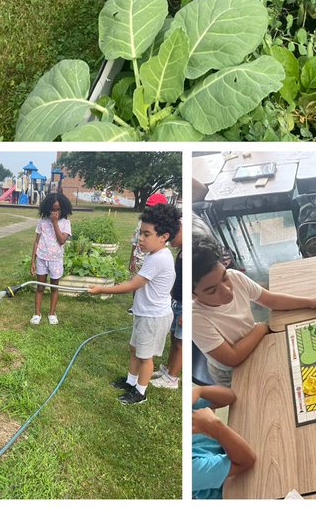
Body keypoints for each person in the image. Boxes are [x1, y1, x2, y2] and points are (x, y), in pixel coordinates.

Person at [193, 233, 316, 387]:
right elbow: (232, 358)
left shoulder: (236, 277)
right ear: (193, 295)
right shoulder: (195, 318)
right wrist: (262, 327)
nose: (226, 291)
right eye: (211, 290)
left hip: (255, 345)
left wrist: (310, 302)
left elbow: (271, 300)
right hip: (231, 372)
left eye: (224, 277)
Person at [88, 201, 181, 405]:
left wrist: (102, 289)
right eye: (141, 233)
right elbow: (139, 283)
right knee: (134, 349)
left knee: (145, 357)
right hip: (145, 313)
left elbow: (133, 286)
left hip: (153, 317)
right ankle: (131, 382)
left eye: (146, 234)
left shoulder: (159, 259)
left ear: (164, 237)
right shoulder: (154, 255)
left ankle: (140, 392)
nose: (140, 238)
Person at [192, 384, 256, 498]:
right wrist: (214, 427)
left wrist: (199, 390)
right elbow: (246, 461)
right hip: (231, 491)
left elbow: (229, 397)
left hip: (235, 450)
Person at [29, 191, 72, 325]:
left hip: (56, 260)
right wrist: (32, 261)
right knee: (40, 287)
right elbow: (36, 241)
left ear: (63, 209)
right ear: (47, 208)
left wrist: (55, 223)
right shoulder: (42, 221)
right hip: (42, 258)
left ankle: (52, 313)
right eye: (52, 210)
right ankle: (37, 313)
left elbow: (61, 241)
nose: (55, 213)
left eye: (58, 210)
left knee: (54, 287)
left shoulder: (65, 223)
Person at [154, 217, 185, 390]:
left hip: (184, 305)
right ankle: (168, 369)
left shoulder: (189, 252)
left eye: (175, 234)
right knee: (174, 338)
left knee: (181, 341)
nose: (171, 238)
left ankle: (172, 378)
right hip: (177, 301)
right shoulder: (181, 251)